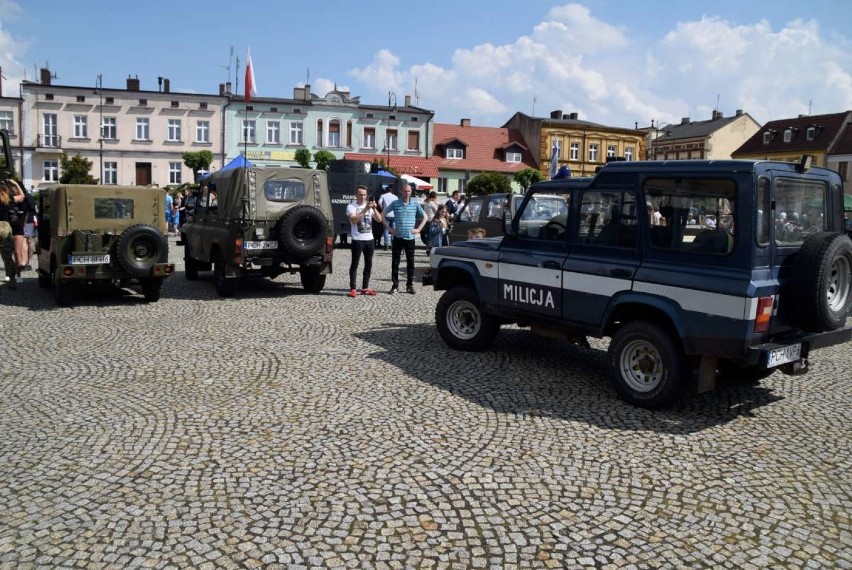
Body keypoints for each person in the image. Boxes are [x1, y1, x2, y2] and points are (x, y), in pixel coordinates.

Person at [382, 183, 425, 294]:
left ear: (411, 192)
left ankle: (409, 285)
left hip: (410, 238)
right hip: (398, 238)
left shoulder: (415, 204)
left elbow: (425, 217)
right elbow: (382, 214)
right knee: (395, 263)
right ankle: (395, 285)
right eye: (405, 191)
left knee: (410, 263)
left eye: (409, 191)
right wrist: (390, 229)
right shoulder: (396, 203)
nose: (407, 193)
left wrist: (418, 229)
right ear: (401, 191)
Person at [346, 184, 382, 297]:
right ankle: (353, 288)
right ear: (356, 195)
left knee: (369, 264)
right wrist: (365, 210)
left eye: (365, 195)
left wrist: (374, 209)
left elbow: (379, 219)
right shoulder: (351, 206)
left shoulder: (369, 206)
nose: (363, 197)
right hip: (357, 239)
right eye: (360, 195)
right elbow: (353, 220)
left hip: (369, 239)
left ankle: (365, 287)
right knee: (355, 264)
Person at [0, 181, 24, 289]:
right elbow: (22, 196)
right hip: (4, 227)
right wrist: (16, 184)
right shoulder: (8, 198)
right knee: (8, 257)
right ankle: (12, 281)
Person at [6, 180, 27, 283]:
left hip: (18, 229)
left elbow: (22, 195)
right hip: (7, 228)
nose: (13, 191)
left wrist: (16, 184)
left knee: (17, 253)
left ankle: (18, 275)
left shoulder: (19, 201)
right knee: (7, 253)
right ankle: (9, 274)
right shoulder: (7, 200)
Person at [378, 185, 398, 250]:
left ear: (385, 191)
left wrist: (383, 209)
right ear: (391, 191)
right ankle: (394, 244)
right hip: (394, 215)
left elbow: (379, 203)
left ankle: (386, 244)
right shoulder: (395, 197)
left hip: (386, 215)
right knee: (393, 230)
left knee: (386, 230)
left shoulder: (383, 195)